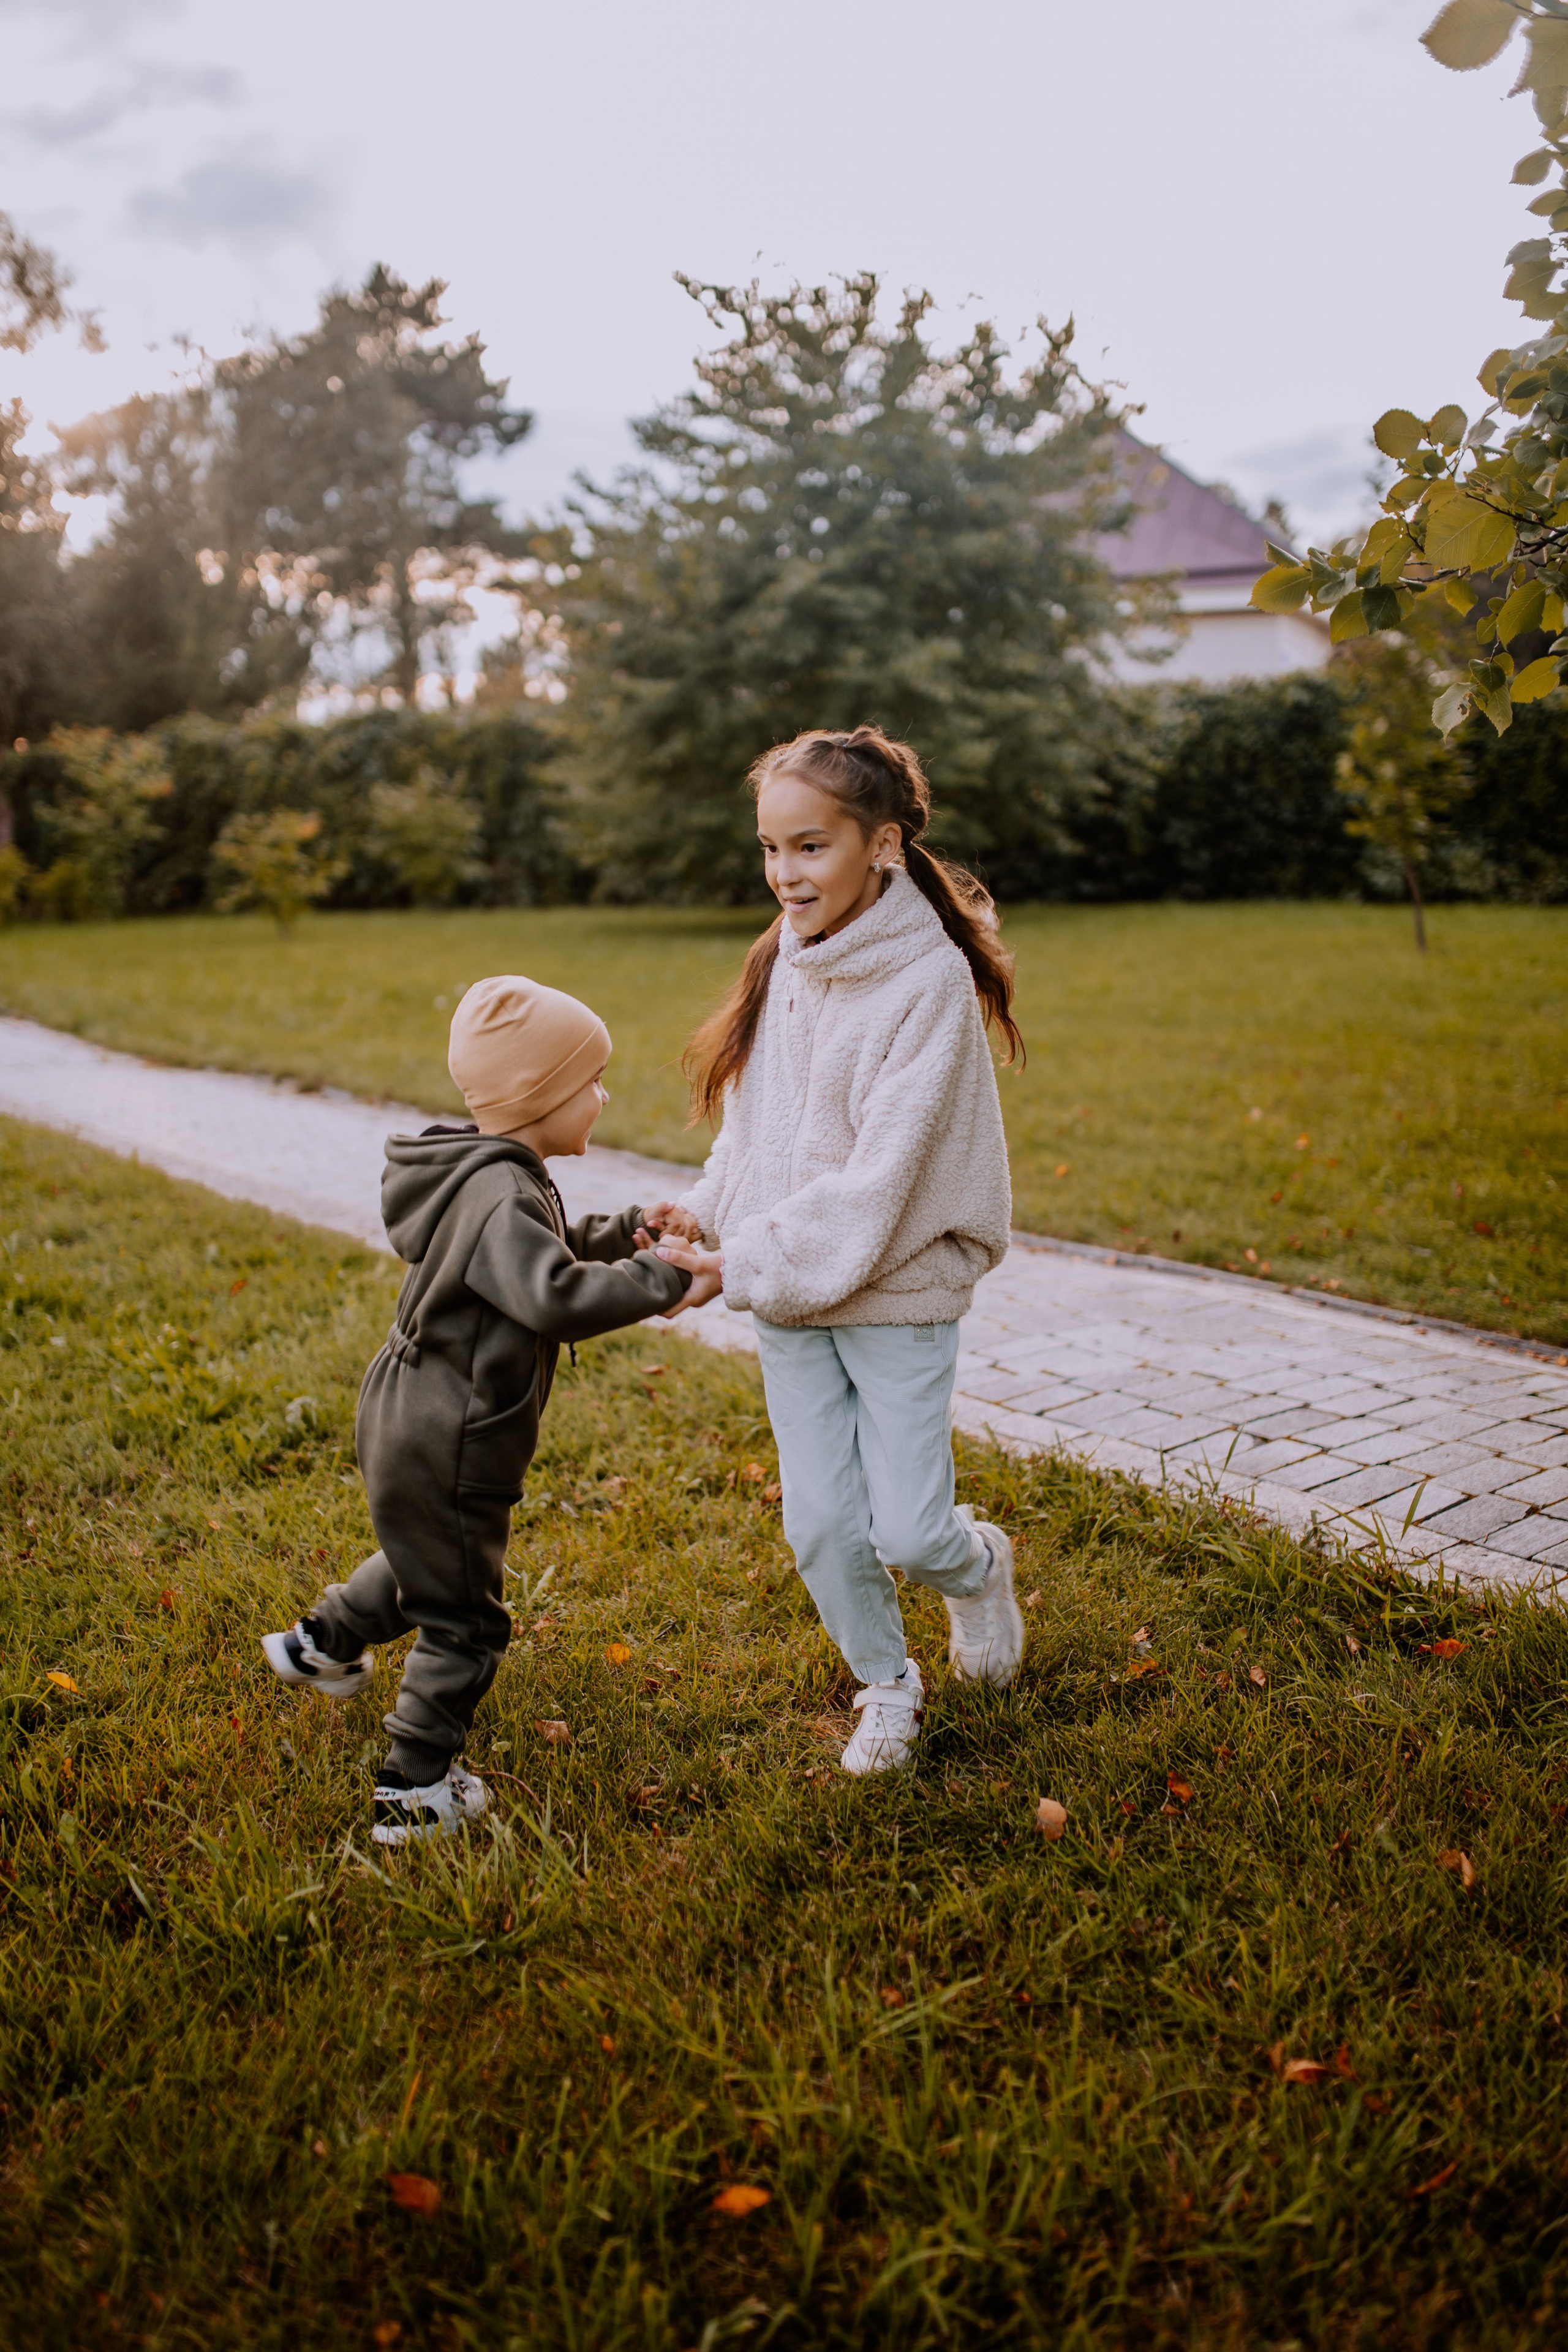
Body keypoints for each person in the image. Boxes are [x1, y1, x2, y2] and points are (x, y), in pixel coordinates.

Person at [653, 726, 1022, 1775]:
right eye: (771, 849)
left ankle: (977, 1566)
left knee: (911, 1532)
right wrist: (703, 1214)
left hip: (898, 1288)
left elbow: (881, 1179)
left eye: (811, 847)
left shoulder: (928, 983)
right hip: (790, 1293)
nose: (785, 873)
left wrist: (740, 1264)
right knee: (821, 1524)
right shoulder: (785, 957)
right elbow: (757, 1131)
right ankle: (887, 1686)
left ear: (883, 845)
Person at [261, 975, 698, 1846]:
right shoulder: (503, 1193)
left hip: (413, 1411)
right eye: (593, 1081)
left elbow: (544, 1251)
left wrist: (626, 1232)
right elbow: (554, 1294)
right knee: (465, 1617)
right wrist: (664, 1278)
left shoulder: (488, 1174)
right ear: (541, 1096)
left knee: (433, 1557)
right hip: (452, 1431)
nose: (604, 1096)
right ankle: (413, 1789)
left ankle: (323, 1640)